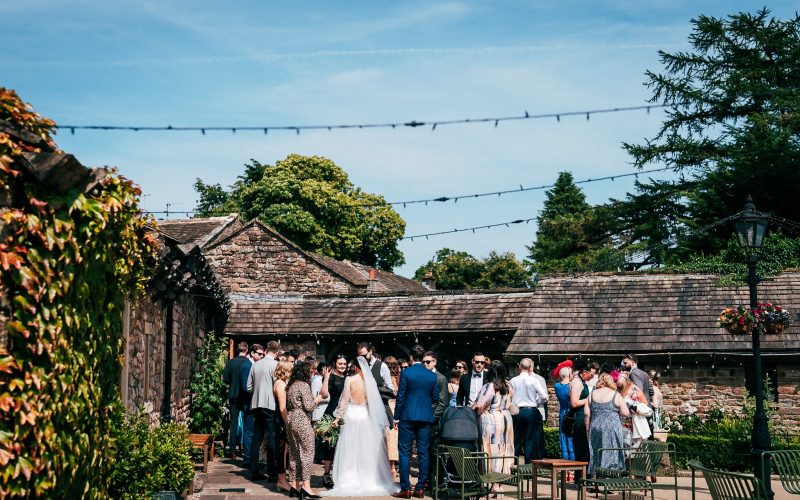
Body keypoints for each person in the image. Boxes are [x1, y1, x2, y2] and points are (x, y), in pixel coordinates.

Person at [321, 357, 399, 497]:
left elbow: (344, 401)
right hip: (364, 416)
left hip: (351, 416)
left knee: (350, 448)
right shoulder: (370, 382)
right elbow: (372, 403)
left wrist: (338, 418)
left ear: (356, 367)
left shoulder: (350, 380)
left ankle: (349, 478)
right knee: (365, 448)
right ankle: (368, 478)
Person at [393, 345, 439, 499]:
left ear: (411, 358)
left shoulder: (406, 372)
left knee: (404, 452)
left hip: (407, 416)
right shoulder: (432, 376)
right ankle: (420, 488)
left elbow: (400, 396)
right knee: (423, 453)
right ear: (423, 357)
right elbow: (435, 398)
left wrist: (396, 417)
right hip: (425, 417)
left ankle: (405, 488)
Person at [286, 359, 326, 499]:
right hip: (301, 419)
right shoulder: (303, 385)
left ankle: (294, 486)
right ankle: (306, 487)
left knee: (294, 453)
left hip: (290, 419)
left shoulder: (291, 386)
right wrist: (318, 399)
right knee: (308, 452)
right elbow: (309, 406)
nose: (311, 373)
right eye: (309, 371)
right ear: (304, 372)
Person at [473, 360, 515, 494]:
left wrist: (476, 413)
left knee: (491, 450)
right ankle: (500, 483)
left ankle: (494, 485)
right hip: (506, 418)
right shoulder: (509, 385)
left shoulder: (490, 386)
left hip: (491, 419)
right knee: (504, 450)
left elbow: (480, 405)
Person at [247, 340, 280, 481]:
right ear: (277, 352)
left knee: (257, 438)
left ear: (266, 350)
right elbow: (277, 386)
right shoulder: (275, 365)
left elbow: (249, 387)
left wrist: (258, 392)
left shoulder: (255, 365)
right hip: (270, 405)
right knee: (272, 438)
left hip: (256, 404)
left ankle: (254, 471)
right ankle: (272, 474)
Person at [585, 373, 628, 476]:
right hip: (612, 428)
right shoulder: (615, 394)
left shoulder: (592, 394)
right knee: (612, 451)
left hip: (595, 427)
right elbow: (625, 413)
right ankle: (609, 478)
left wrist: (587, 429)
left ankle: (594, 478)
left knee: (595, 451)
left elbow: (586, 413)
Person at [510, 358, 547, 463]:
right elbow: (544, 396)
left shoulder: (513, 380)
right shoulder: (534, 380)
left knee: (516, 439)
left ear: (519, 367)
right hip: (531, 410)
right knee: (530, 439)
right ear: (530, 367)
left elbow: (510, 396)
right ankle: (528, 468)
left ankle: (514, 466)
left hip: (517, 411)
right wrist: (536, 401)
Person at [423, 351, 449, 488]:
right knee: (424, 452)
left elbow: (443, 402)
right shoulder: (421, 377)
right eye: (424, 362)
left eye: (428, 361)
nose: (425, 364)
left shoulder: (441, 378)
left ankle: (436, 483)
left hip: (434, 421)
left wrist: (432, 418)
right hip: (421, 420)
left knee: (434, 453)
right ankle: (426, 480)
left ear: (435, 362)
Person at [319, 354, 346, 488]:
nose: (342, 366)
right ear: (335, 364)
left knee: (343, 444)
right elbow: (324, 394)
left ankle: (340, 474)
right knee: (330, 445)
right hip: (331, 414)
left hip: (344, 415)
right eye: (340, 363)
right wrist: (326, 378)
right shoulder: (330, 376)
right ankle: (326, 474)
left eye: (344, 364)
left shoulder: (348, 378)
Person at [357, 342, 396, 424]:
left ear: (370, 351)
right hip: (363, 408)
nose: (362, 359)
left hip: (379, 406)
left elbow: (390, 388)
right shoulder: (359, 366)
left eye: (364, 356)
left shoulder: (382, 366)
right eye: (360, 357)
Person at [224, 341, 250, 458]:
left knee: (233, 423)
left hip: (233, 395)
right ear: (247, 350)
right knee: (246, 423)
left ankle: (232, 451)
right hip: (245, 396)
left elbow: (226, 380)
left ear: (237, 350)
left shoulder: (230, 363)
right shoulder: (249, 363)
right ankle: (244, 449)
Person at [240, 343, 263, 468]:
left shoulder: (254, 365)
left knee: (254, 432)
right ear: (252, 353)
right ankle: (248, 460)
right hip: (249, 404)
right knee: (249, 432)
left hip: (255, 404)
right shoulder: (247, 366)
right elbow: (245, 387)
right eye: (259, 354)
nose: (261, 356)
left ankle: (253, 460)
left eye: (262, 354)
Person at [569, 359, 593, 482]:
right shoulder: (577, 382)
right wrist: (590, 399)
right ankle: (581, 477)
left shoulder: (580, 381)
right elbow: (574, 403)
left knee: (584, 448)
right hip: (579, 418)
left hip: (582, 416)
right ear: (585, 372)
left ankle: (583, 475)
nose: (592, 377)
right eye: (591, 375)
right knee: (582, 447)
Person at [273, 360, 293, 492]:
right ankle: (281, 480)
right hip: (281, 420)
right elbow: (282, 407)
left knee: (284, 451)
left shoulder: (282, 382)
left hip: (282, 419)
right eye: (291, 369)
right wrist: (287, 423)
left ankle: (282, 479)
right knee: (281, 451)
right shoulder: (280, 384)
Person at [617, 373, 650, 450]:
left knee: (637, 448)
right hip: (622, 423)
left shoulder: (634, 388)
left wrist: (635, 407)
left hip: (635, 421)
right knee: (624, 448)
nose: (619, 386)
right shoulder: (617, 390)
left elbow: (645, 402)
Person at [384, 355, 402, 477]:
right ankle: (395, 465)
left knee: (388, 437)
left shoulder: (384, 379)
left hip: (387, 407)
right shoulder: (400, 378)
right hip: (398, 407)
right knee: (395, 437)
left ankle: (391, 466)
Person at [553, 365, 575, 461]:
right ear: (569, 374)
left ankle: (565, 460)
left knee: (563, 435)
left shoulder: (556, 386)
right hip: (571, 412)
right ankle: (573, 461)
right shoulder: (571, 385)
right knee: (571, 436)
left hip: (562, 412)